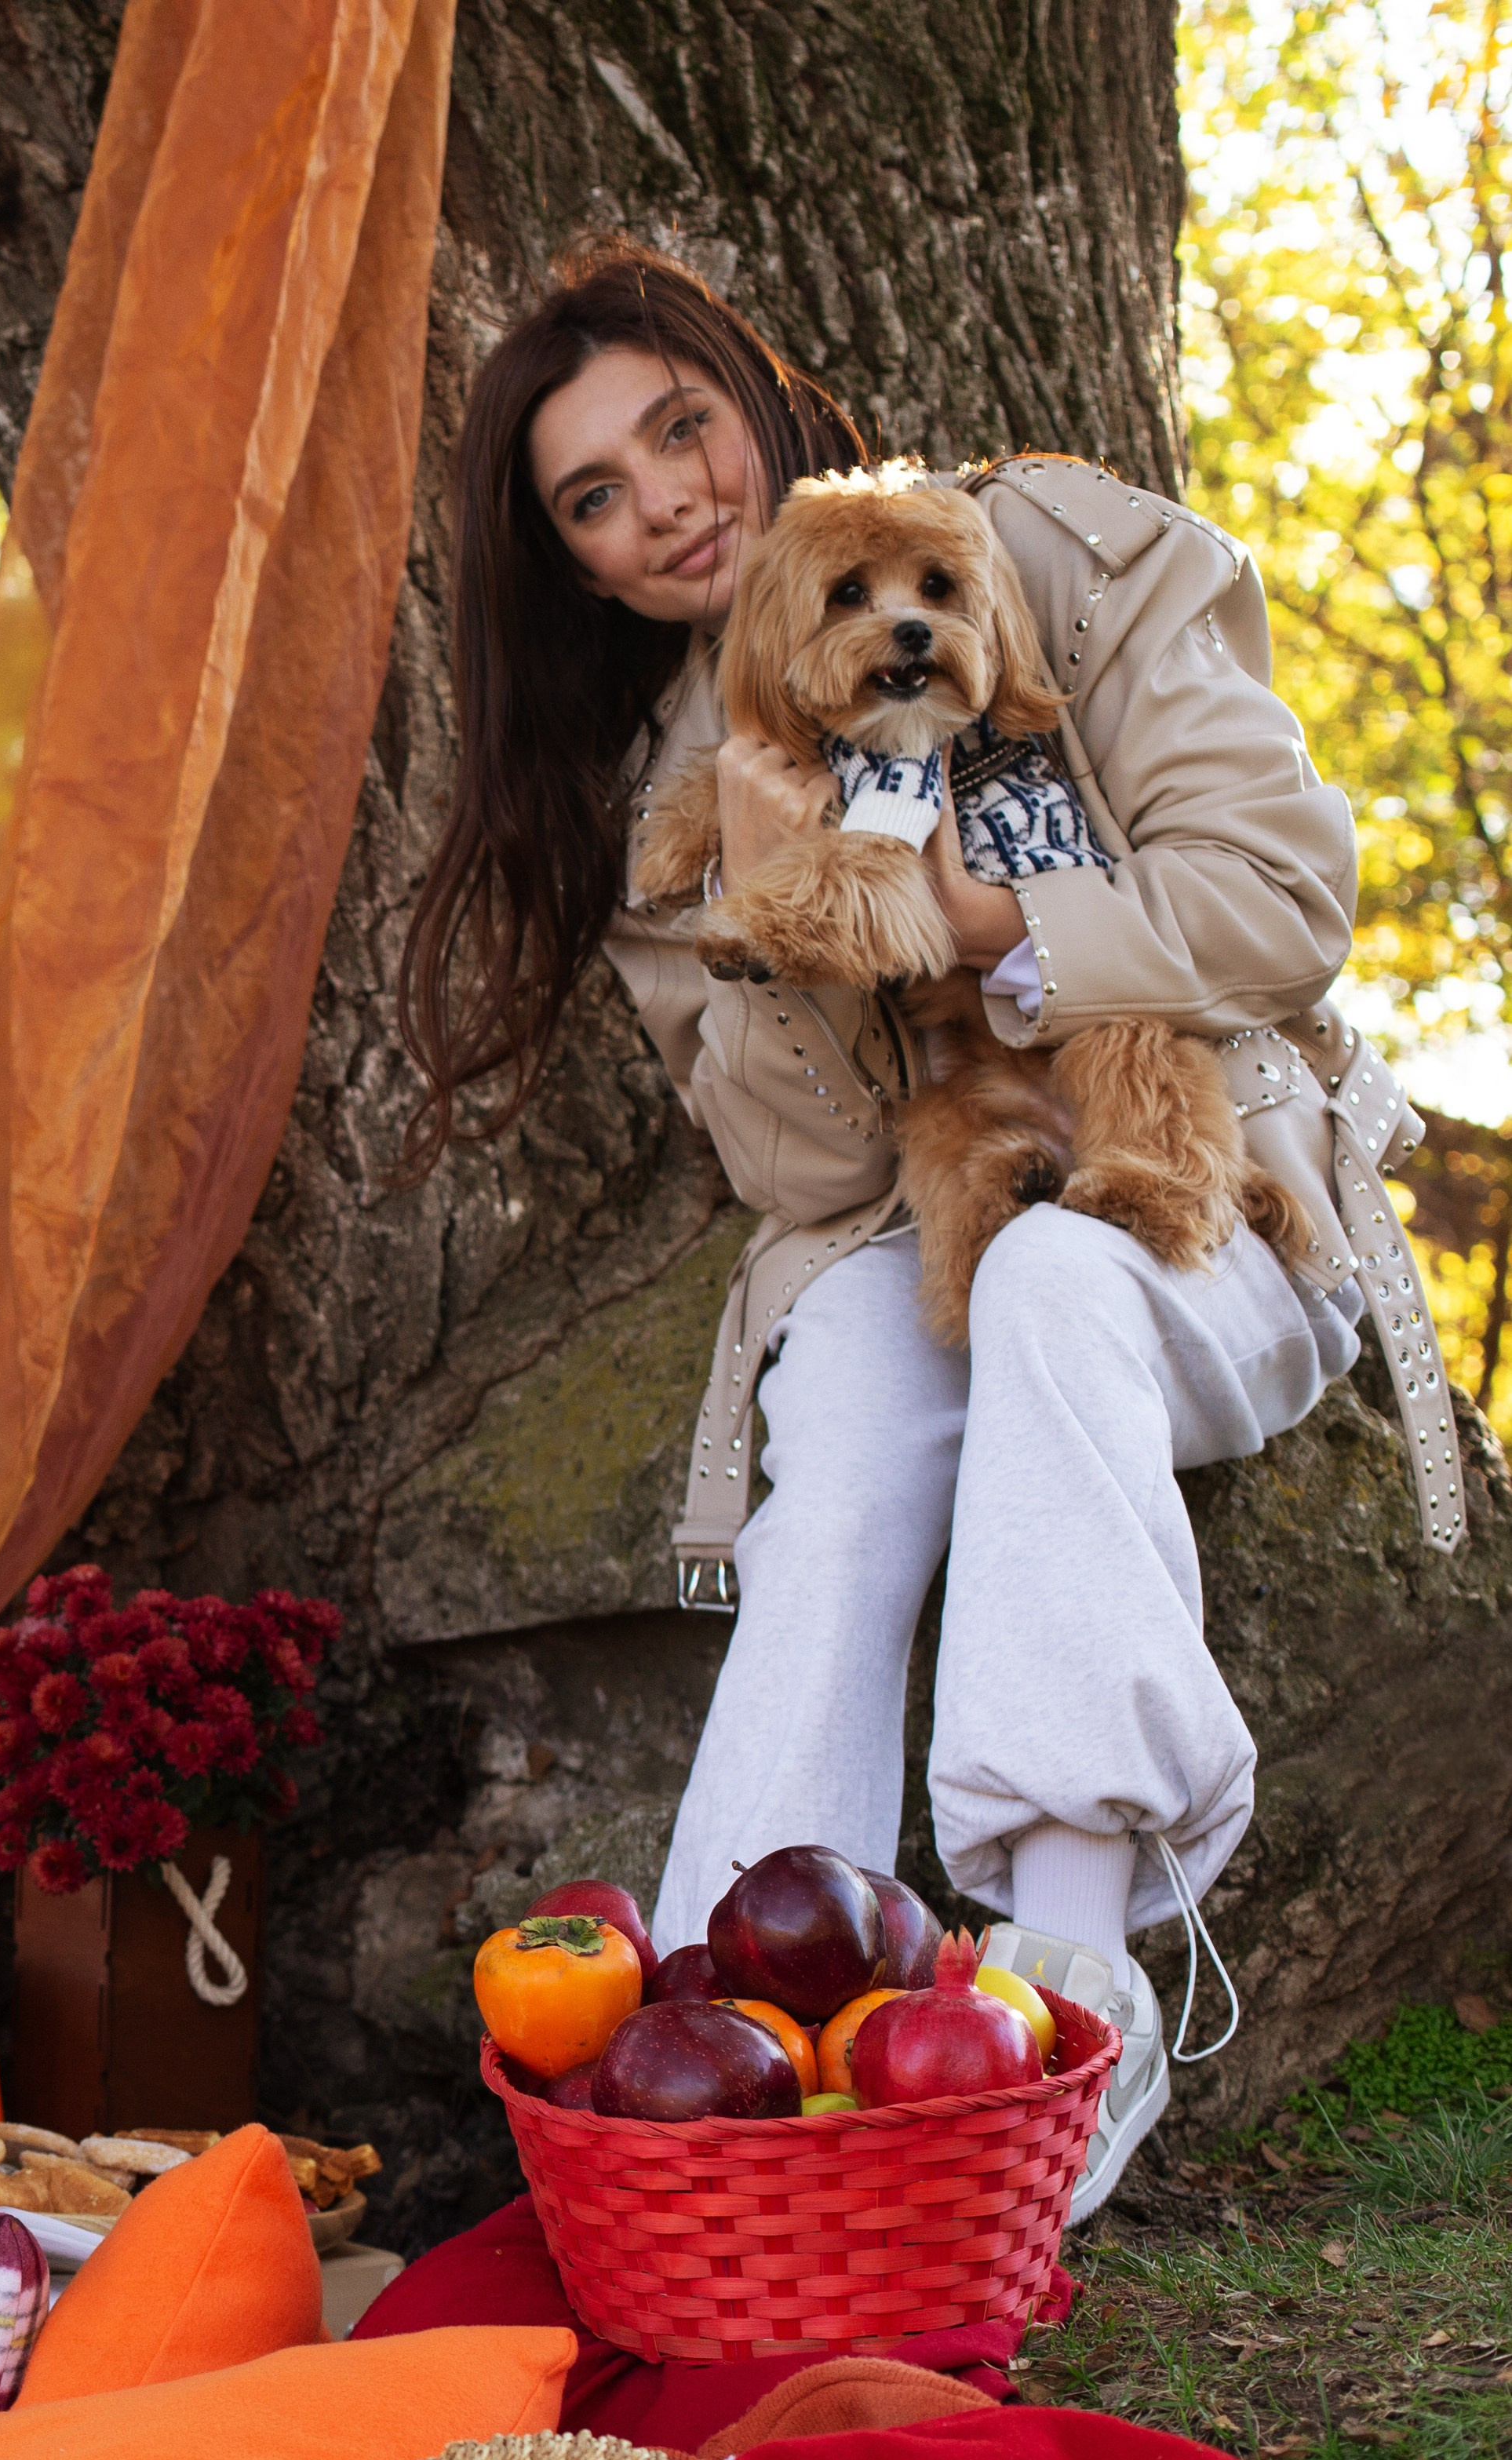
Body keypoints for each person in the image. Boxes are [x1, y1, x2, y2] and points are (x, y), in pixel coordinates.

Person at [399, 240, 1408, 2215]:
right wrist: (782, 920)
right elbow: (810, 1190)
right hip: (937, 1215)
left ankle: (1067, 1980)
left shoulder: (1059, 553)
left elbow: (1281, 899)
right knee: (850, 1388)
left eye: (678, 429)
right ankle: (715, 2037)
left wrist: (960, 917)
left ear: (751, 394)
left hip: (1207, 1183)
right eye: (595, 498)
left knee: (1043, 1266)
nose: (666, 501)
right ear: (581, 571)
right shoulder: (669, 802)